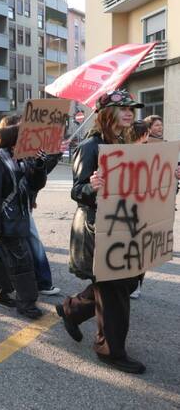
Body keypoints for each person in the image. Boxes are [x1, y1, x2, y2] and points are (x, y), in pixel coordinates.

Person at [56, 90, 180, 374]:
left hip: (125, 227)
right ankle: (109, 350)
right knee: (115, 291)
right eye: (122, 108)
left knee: (120, 285)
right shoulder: (90, 146)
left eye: (131, 108)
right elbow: (77, 191)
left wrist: (169, 179)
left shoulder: (126, 143)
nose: (129, 112)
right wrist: (93, 186)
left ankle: (71, 310)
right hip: (99, 230)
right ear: (106, 114)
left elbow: (141, 187)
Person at [0, 125, 47, 318]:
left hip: (19, 219)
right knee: (23, 264)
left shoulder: (22, 160)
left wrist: (39, 164)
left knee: (6, 259)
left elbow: (36, 185)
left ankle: (0, 293)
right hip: (7, 223)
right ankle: (27, 304)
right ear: (14, 141)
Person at [127, 120, 150, 299]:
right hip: (130, 210)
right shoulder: (128, 152)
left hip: (141, 208)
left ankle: (135, 284)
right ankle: (132, 283)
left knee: (139, 249)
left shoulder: (149, 151)